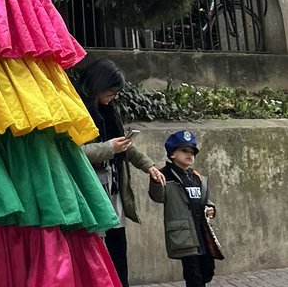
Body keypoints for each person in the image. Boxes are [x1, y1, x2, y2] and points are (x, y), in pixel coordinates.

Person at [77, 58, 166, 287]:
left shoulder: (109, 110)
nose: (114, 96)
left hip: (114, 190)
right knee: (94, 252)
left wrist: (149, 166)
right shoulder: (77, 111)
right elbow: (73, 153)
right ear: (98, 85)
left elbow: (127, 146)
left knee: (119, 250)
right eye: (111, 90)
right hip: (92, 192)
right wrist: (108, 148)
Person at [149, 130, 219, 287]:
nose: (190, 155)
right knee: (193, 274)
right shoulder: (164, 175)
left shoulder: (196, 177)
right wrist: (155, 182)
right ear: (172, 154)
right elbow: (157, 197)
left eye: (192, 151)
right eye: (184, 150)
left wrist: (210, 207)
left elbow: (204, 199)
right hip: (184, 234)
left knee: (207, 271)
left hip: (202, 231)